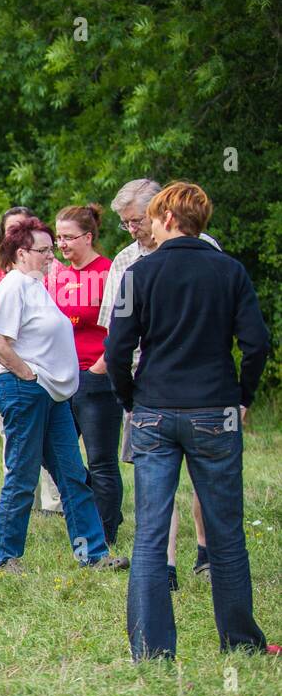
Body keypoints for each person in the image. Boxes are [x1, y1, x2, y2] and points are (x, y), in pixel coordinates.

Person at [104, 181, 277, 660]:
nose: (149, 226)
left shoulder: (140, 273)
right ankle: (240, 642)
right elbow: (258, 343)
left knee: (150, 535)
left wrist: (129, 399)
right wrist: (243, 396)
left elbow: (117, 349)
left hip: (154, 410)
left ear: (168, 219)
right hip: (215, 410)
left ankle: (151, 650)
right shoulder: (229, 271)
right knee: (226, 531)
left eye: (153, 218)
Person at [0, 218, 129, 574]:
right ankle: (6, 556)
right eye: (44, 250)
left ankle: (92, 554)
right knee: (23, 472)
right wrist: (26, 373)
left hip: (53, 392)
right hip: (26, 389)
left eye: (52, 249)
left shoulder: (39, 286)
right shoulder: (13, 285)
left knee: (71, 473)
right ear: (21, 253)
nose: (52, 255)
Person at [99, 178, 218, 591]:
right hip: (144, 385)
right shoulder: (124, 263)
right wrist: (125, 392)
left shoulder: (208, 250)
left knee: (204, 474)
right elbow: (114, 332)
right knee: (153, 480)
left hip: (199, 387)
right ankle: (164, 564)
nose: (131, 229)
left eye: (135, 220)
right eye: (125, 223)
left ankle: (205, 551)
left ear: (160, 214)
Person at [49, 203, 121, 545]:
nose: (61, 244)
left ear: (88, 236)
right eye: (58, 237)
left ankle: (106, 531)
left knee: (101, 458)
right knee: (53, 454)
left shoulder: (110, 272)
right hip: (60, 378)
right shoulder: (57, 276)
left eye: (68, 237)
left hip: (96, 376)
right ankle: (101, 504)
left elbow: (124, 326)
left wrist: (101, 366)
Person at [0, 207, 62, 515]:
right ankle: (19, 502)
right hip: (10, 367)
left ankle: (54, 503)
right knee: (15, 437)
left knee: (52, 438)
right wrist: (5, 367)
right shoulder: (0, 275)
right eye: (10, 230)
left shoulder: (48, 269)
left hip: (45, 367)